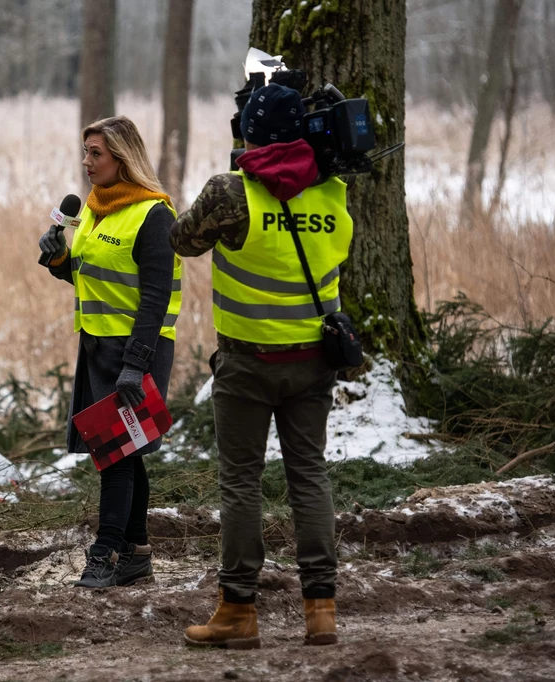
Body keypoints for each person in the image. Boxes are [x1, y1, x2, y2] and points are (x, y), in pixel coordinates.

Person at [174, 84, 353, 647]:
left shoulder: (231, 193)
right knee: (309, 476)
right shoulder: (333, 192)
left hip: (247, 364)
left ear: (247, 132)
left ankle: (238, 612)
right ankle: (320, 609)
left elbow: (182, 240)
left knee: (241, 485)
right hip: (312, 362)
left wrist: (239, 152)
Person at [39, 116, 182, 588]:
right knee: (126, 451)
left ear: (123, 157)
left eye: (95, 153)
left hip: (136, 351)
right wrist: (61, 259)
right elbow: (91, 277)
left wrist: (135, 365)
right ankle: (137, 553)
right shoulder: (97, 210)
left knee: (116, 457)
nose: (86, 162)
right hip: (98, 348)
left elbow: (156, 299)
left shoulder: (154, 215)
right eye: (85, 153)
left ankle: (105, 552)